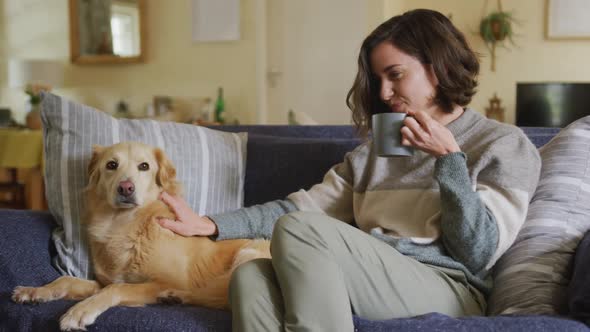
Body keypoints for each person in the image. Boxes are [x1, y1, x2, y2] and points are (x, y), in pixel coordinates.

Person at [157, 8, 541, 332]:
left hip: (450, 287)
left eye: (395, 75)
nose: (385, 93)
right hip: (371, 274)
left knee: (300, 232)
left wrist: (449, 160)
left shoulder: (502, 144)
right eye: (378, 80)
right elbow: (297, 209)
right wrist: (211, 224)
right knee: (251, 277)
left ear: (436, 68)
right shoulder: (375, 152)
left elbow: (478, 252)